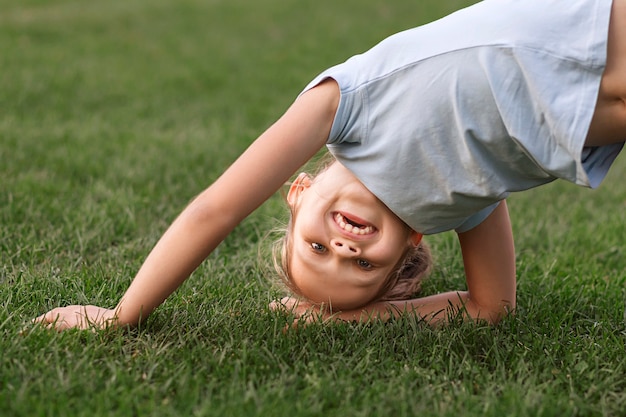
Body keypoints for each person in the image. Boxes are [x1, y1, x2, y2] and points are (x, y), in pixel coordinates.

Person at [36, 0, 626, 330]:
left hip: (578, 31)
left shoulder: (340, 107)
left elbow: (216, 209)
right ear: (409, 243)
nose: (343, 251)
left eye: (315, 249)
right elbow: (491, 307)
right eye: (364, 270)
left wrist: (122, 316)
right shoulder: (450, 201)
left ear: (299, 192)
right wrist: (347, 320)